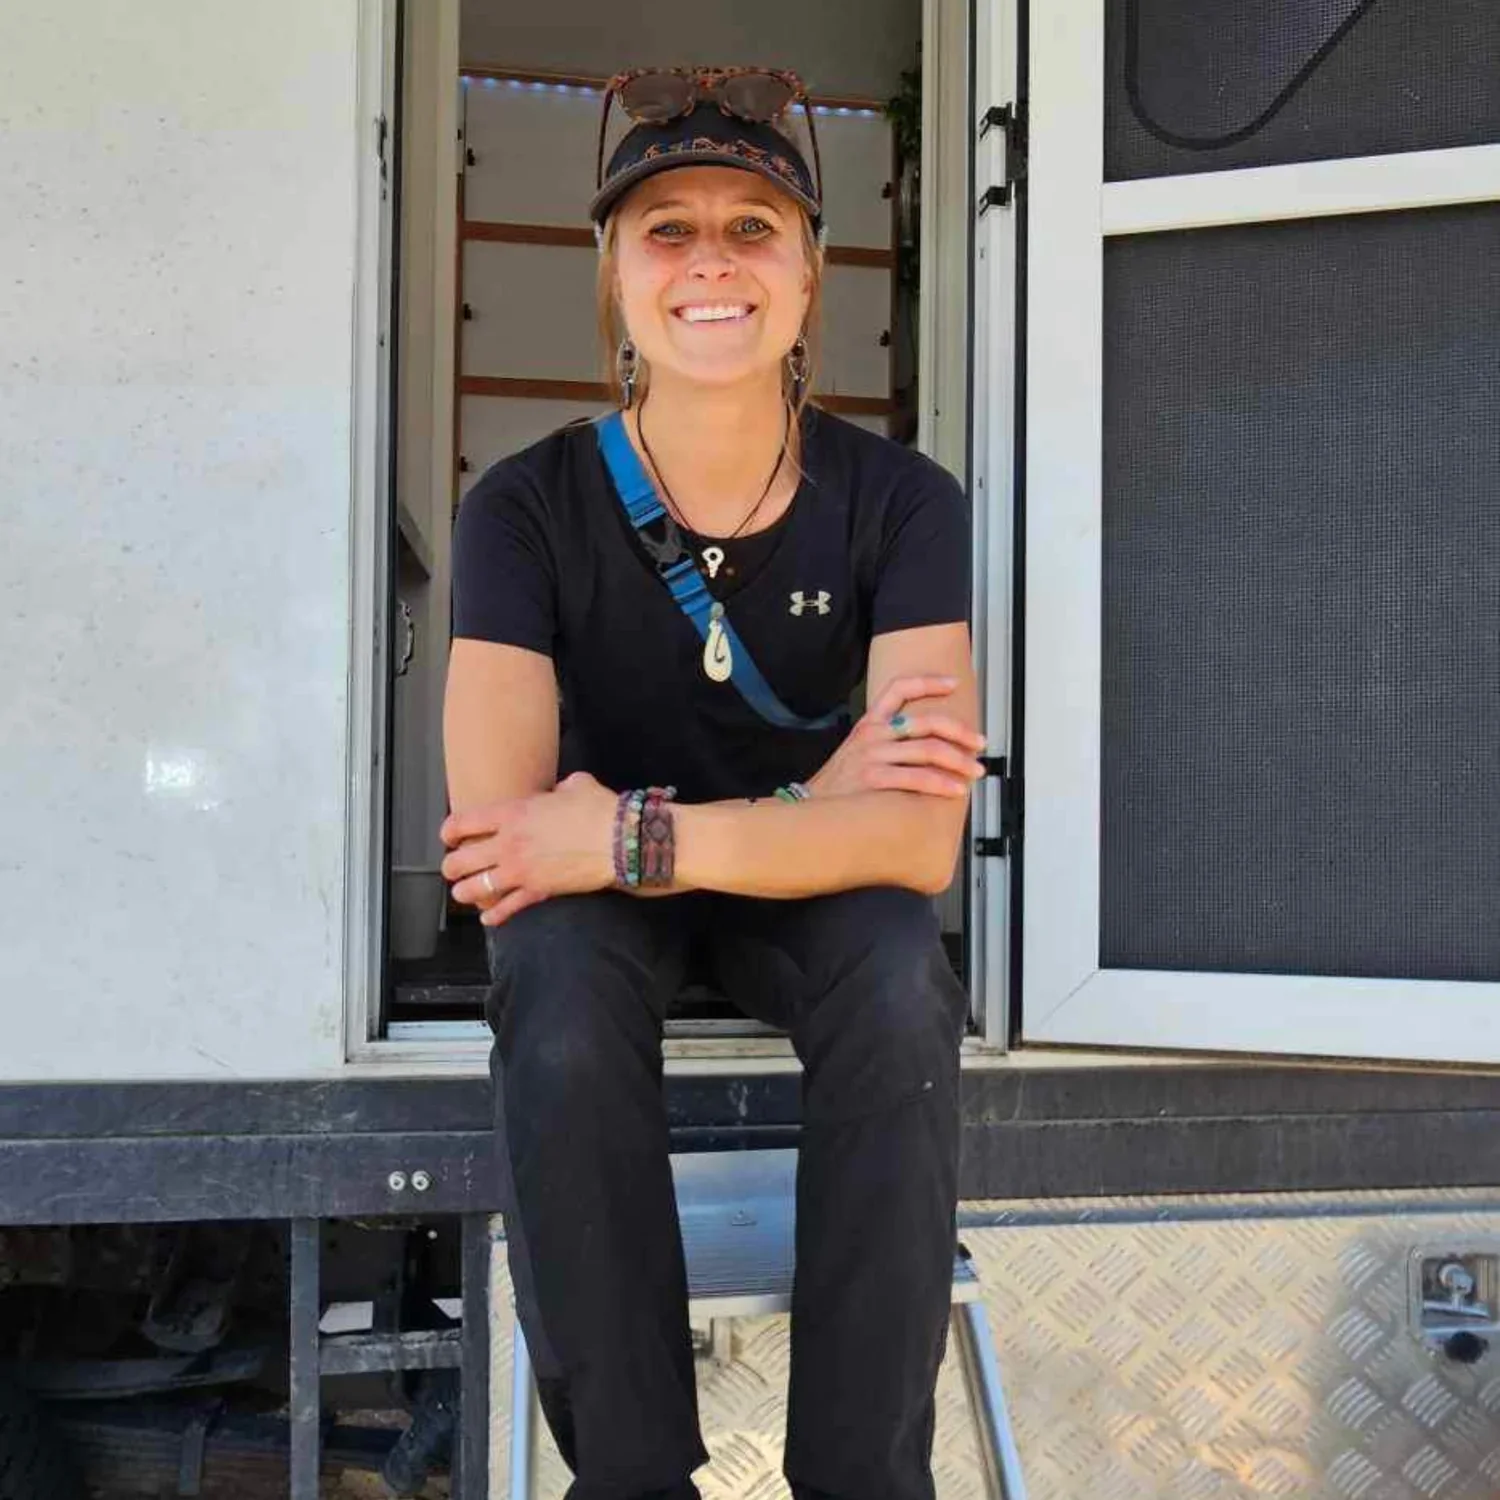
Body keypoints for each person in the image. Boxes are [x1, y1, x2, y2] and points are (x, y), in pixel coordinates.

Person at [440, 65, 985, 1500]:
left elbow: (922, 843)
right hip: (598, 907)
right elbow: (500, 848)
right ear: (612, 274)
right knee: (549, 979)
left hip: (738, 894)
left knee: (891, 969)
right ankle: (630, 1479)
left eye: (754, 227)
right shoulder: (523, 506)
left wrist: (626, 832)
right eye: (666, 228)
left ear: (811, 275)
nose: (710, 263)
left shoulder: (905, 503)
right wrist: (815, 809)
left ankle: (865, 1477)